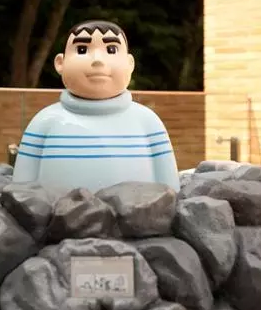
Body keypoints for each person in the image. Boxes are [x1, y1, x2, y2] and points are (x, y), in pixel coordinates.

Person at [12, 20, 179, 191]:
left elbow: (170, 187)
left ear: (130, 63)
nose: (97, 60)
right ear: (60, 63)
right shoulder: (44, 122)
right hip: (53, 208)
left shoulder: (147, 122)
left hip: (140, 208)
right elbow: (20, 191)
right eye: (82, 50)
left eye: (111, 50)